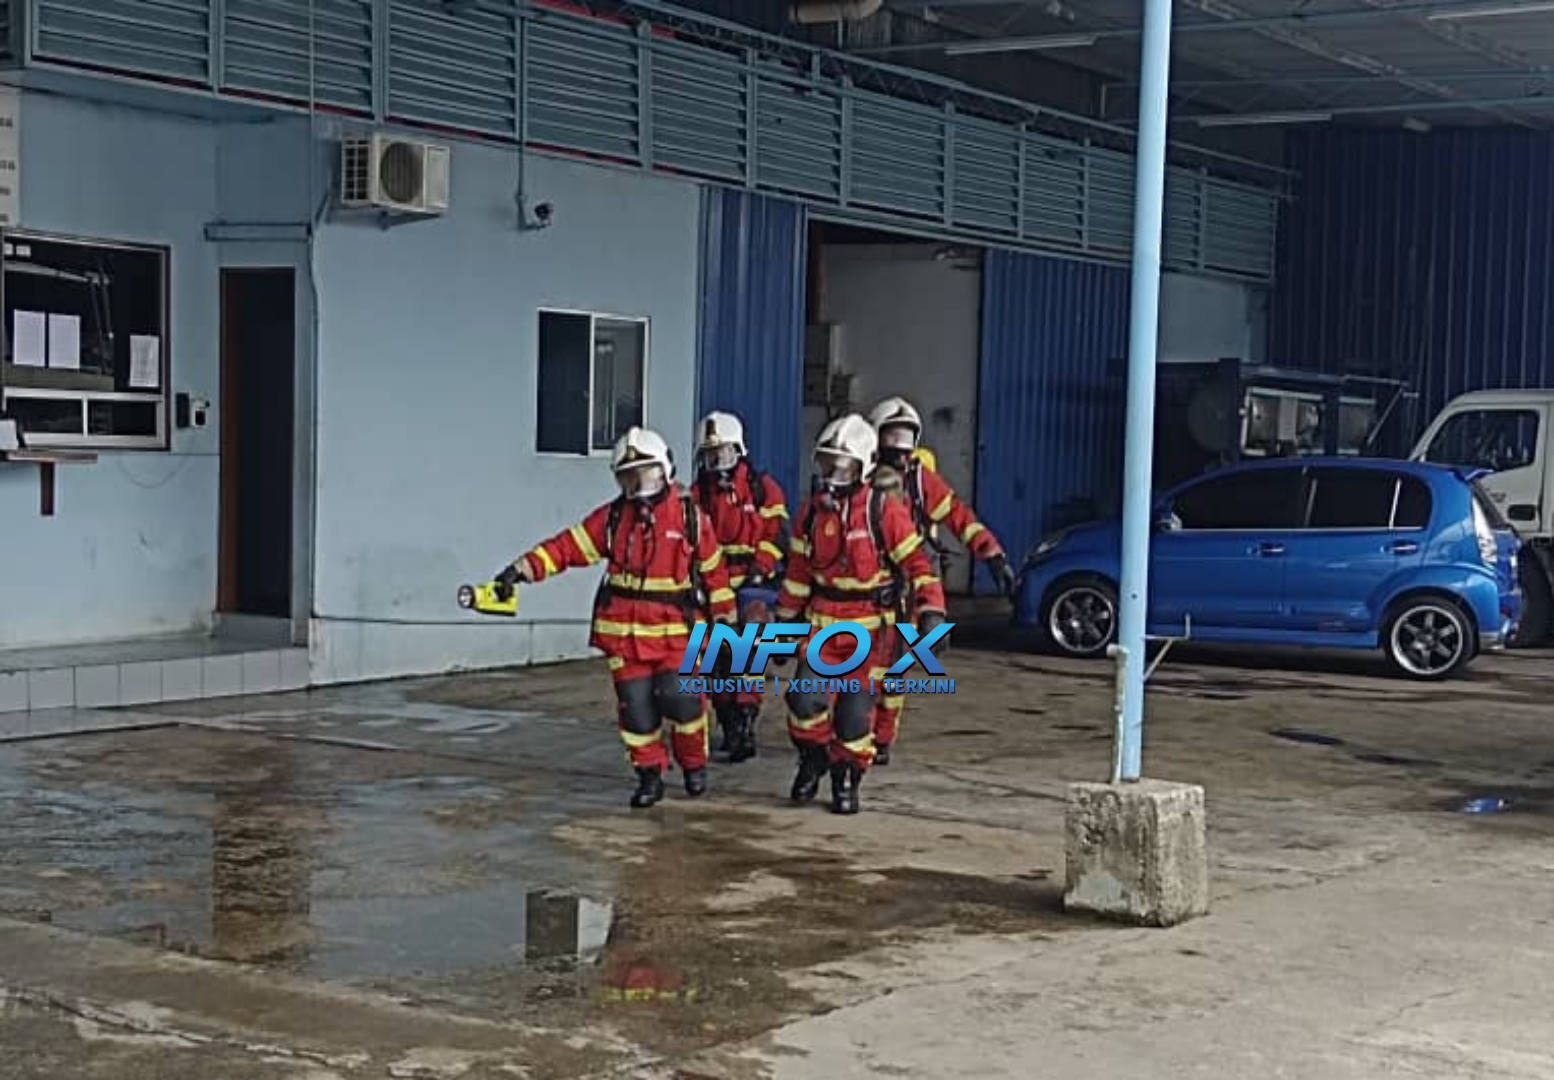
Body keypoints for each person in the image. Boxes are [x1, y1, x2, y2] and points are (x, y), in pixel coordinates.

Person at [491, 426, 736, 809]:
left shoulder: (690, 517)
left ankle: (693, 764)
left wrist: (726, 625)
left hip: (679, 635)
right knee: (636, 711)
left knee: (683, 700)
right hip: (625, 636)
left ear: (665, 470)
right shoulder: (612, 519)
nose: (639, 485)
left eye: (647, 474)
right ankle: (649, 775)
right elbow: (566, 547)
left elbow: (715, 574)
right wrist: (519, 571)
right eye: (630, 477)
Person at [776, 413, 946, 815]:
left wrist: (932, 612)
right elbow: (798, 574)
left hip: (870, 633)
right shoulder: (809, 514)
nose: (832, 476)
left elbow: (919, 566)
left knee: (854, 718)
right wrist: (783, 622)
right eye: (827, 464)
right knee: (803, 701)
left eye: (843, 467)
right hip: (821, 626)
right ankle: (814, 758)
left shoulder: (882, 511)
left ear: (864, 468)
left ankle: (846, 778)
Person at [866, 396, 1015, 766]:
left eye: (906, 437)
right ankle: (852, 734)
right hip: (863, 583)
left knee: (896, 665)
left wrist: (991, 553)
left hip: (907, 584)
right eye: (892, 436)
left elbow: (958, 517)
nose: (899, 447)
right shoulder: (857, 479)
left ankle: (880, 738)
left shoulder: (921, 481)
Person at [692, 410, 790, 764]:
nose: (717, 463)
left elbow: (777, 534)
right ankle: (729, 721)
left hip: (754, 585)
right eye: (710, 456)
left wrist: (759, 569)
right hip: (712, 586)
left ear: (738, 451)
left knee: (749, 649)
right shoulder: (697, 494)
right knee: (715, 657)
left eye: (722, 454)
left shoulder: (762, 488)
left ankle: (746, 719)